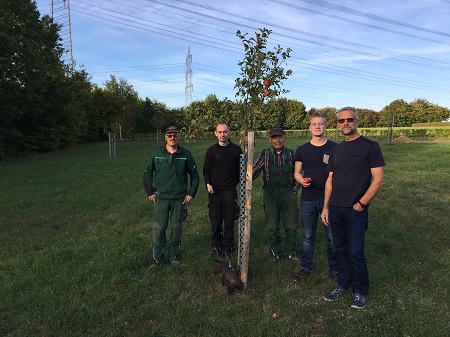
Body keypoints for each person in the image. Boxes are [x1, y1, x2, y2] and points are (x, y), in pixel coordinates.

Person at [321, 107, 385, 309]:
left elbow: (378, 180)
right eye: (341, 121)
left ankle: (360, 290)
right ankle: (343, 284)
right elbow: (330, 181)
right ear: (338, 124)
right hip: (335, 208)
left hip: (355, 210)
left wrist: (361, 204)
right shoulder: (336, 150)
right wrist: (325, 207)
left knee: (355, 251)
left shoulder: (370, 146)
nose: (345, 123)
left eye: (349, 119)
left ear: (357, 121)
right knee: (340, 249)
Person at [143, 126, 200, 267]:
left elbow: (195, 176)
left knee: (177, 227)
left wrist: (190, 193)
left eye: (175, 135)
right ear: (165, 137)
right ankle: (157, 258)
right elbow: (147, 173)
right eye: (170, 136)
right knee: (159, 228)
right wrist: (150, 191)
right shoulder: (157, 154)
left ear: (179, 137)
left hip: (179, 199)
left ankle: (174, 255)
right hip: (161, 197)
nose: (172, 138)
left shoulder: (186, 155)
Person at [292, 112, 339, 282]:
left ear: (326, 126)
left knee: (332, 237)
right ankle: (306, 267)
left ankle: (334, 268)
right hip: (308, 199)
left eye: (321, 123)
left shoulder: (335, 147)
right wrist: (301, 180)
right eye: (315, 124)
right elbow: (296, 173)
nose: (318, 127)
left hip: (330, 199)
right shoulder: (302, 150)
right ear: (309, 127)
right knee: (308, 236)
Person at [252, 128, 299, 261]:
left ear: (284, 138)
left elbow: (298, 173)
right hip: (271, 194)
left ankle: (291, 252)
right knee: (273, 224)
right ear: (270, 139)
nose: (277, 140)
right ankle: (275, 252)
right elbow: (255, 171)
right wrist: (247, 179)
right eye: (274, 138)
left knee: (291, 224)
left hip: (289, 193)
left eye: (280, 137)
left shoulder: (291, 154)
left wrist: (295, 190)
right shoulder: (265, 154)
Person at [203, 123, 243, 257]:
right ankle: (216, 248)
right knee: (216, 222)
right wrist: (208, 183)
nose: (222, 135)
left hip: (230, 191)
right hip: (214, 192)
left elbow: (241, 171)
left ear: (229, 133)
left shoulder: (236, 150)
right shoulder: (211, 151)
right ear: (215, 133)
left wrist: (234, 182)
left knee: (229, 222)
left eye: (225, 132)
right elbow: (206, 170)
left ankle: (229, 248)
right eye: (219, 132)